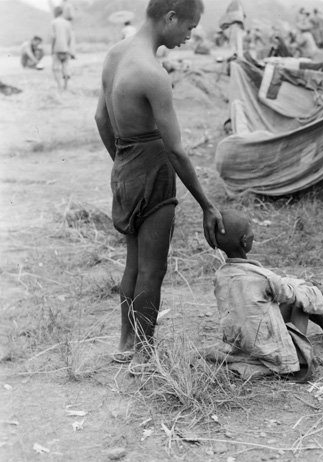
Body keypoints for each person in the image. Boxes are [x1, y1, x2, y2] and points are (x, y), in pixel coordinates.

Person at [94, 0, 224, 373]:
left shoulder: (116, 54)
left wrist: (122, 162)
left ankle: (125, 343)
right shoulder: (153, 72)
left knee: (134, 264)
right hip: (153, 169)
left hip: (125, 165)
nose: (189, 36)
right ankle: (145, 355)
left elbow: (101, 117)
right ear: (170, 17)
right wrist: (206, 204)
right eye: (189, 27)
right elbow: (176, 150)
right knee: (153, 269)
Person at [212, 210, 323, 381]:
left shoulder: (220, 276)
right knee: (309, 295)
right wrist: (317, 291)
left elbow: (277, 288)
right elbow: (293, 293)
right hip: (271, 351)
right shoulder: (263, 278)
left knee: (299, 291)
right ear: (245, 241)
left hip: (242, 344)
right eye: (251, 233)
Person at [50, 6, 74, 90]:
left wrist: (52, 49)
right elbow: (70, 38)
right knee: (66, 68)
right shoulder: (68, 23)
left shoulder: (54, 22)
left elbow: (53, 37)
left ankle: (59, 86)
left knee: (55, 68)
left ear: (55, 12)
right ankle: (66, 87)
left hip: (57, 48)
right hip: (66, 49)